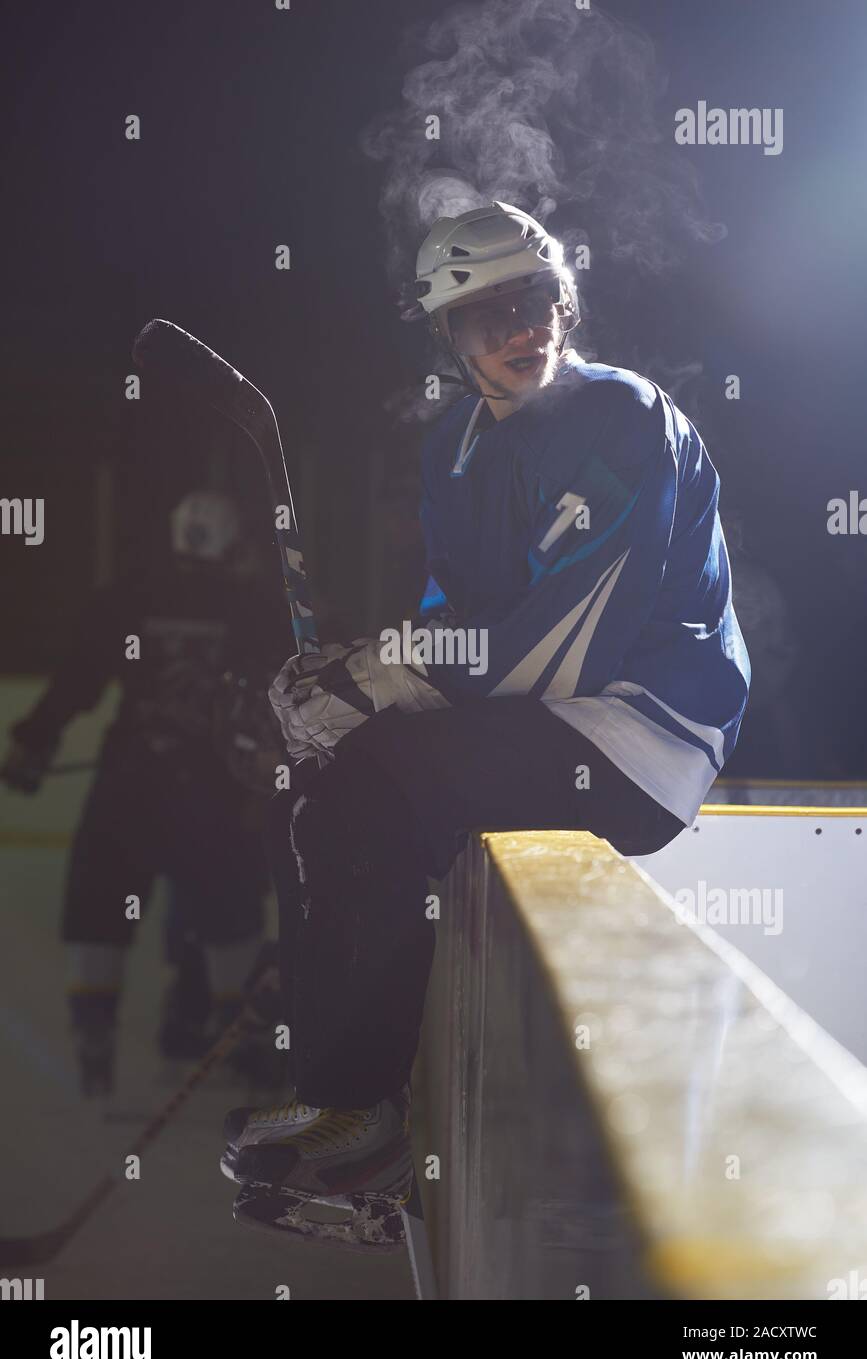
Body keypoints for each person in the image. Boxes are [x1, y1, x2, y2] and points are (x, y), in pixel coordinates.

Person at [222, 203, 751, 1249]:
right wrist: (356, 680)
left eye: (536, 298)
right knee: (331, 790)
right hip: (545, 729)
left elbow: (566, 646)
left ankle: (355, 1110)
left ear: (567, 299)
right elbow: (451, 622)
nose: (521, 328)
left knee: (364, 784)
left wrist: (381, 681)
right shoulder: (456, 451)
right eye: (484, 316)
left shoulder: (624, 418)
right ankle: (353, 1083)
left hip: (639, 737)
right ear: (446, 340)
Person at [1, 491, 287, 1095]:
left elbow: (77, 677)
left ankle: (94, 1042)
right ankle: (239, 1042)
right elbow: (280, 693)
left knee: (99, 905)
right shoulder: (254, 607)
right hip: (215, 788)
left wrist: (35, 744)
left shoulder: (130, 596)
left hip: (129, 782)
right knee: (228, 914)